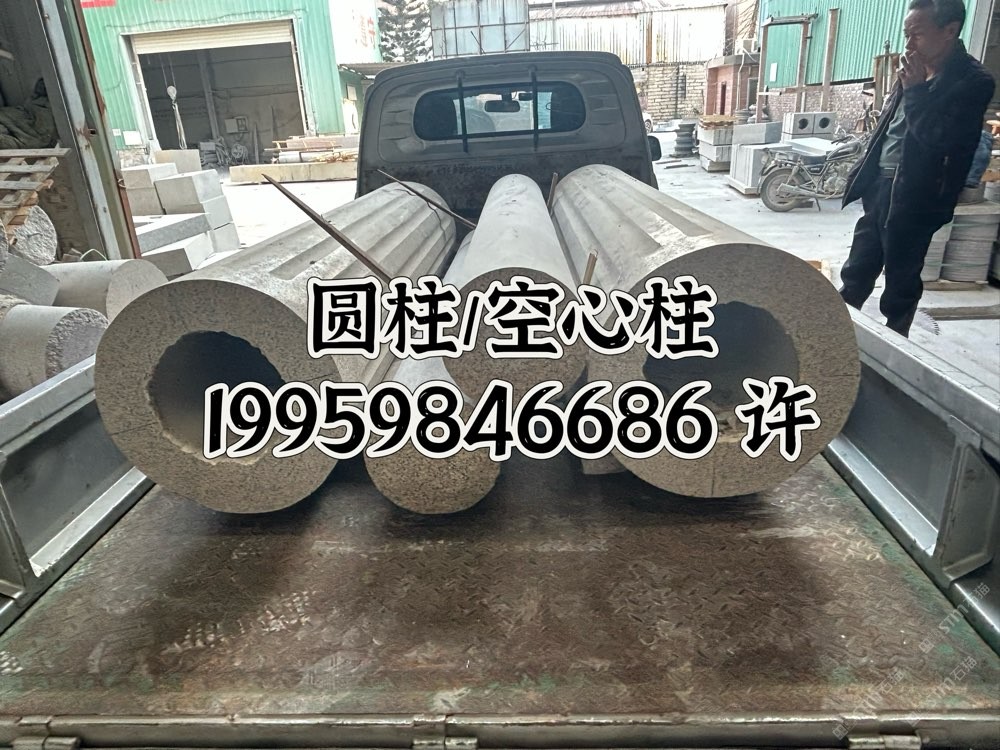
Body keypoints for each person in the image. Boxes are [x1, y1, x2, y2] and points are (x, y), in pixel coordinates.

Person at [838, 0, 995, 337]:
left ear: (949, 31)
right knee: (858, 266)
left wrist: (917, 91)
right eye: (906, 34)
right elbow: (890, 126)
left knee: (901, 278)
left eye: (917, 35)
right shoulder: (914, 69)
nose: (909, 44)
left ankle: (897, 342)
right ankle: (837, 333)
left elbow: (939, 140)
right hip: (882, 183)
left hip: (918, 195)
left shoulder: (973, 81)